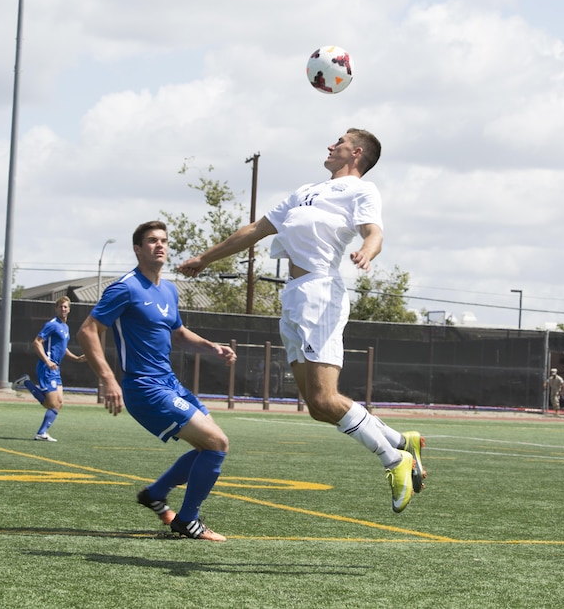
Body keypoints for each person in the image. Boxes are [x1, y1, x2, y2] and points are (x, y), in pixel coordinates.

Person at [178, 129, 426, 514]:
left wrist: (367, 251)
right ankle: (400, 441)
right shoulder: (305, 190)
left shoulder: (361, 190)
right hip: (294, 296)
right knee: (315, 405)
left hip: (321, 293)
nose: (330, 145)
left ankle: (396, 461)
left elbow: (375, 231)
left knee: (327, 397)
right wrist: (206, 258)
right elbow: (254, 231)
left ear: (356, 153)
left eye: (339, 141)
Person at [78, 221, 237, 542]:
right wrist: (108, 379)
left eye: (163, 240)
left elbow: (177, 333)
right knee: (216, 444)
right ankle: (187, 521)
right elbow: (87, 331)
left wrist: (211, 346)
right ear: (138, 249)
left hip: (170, 384)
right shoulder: (125, 287)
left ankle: (156, 494)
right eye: (151, 241)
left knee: (211, 445)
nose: (159, 245)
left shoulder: (169, 289)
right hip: (144, 388)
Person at [10, 296, 87, 441]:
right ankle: (26, 382)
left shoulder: (65, 327)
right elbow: (37, 343)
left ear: (69, 309)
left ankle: (41, 433)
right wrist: (47, 360)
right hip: (47, 367)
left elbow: (62, 348)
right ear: (56, 309)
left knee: (58, 404)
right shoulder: (52, 324)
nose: (63, 309)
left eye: (65, 307)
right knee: (51, 404)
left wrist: (76, 358)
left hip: (55, 369)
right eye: (60, 307)